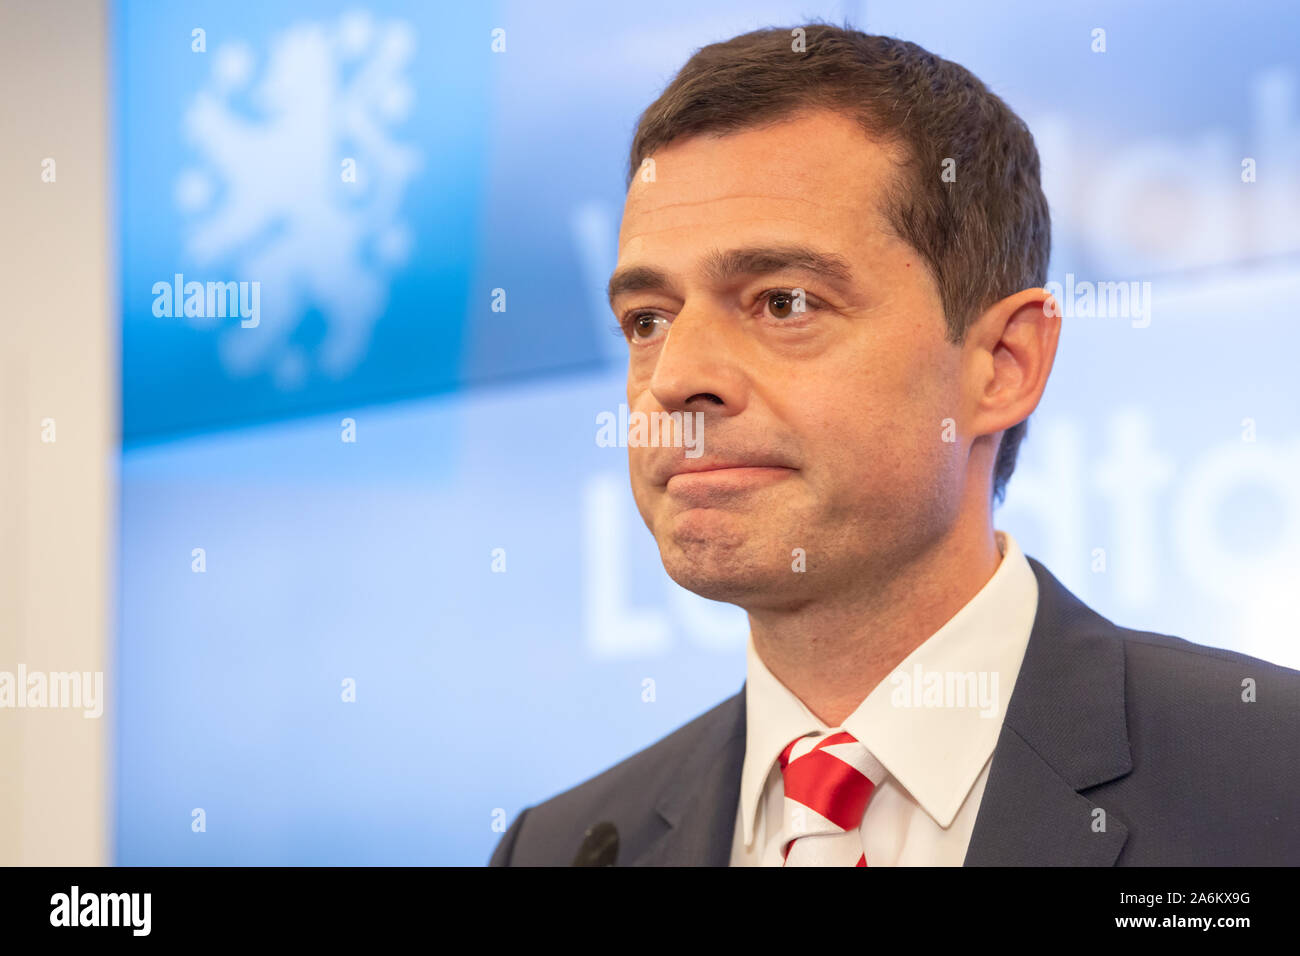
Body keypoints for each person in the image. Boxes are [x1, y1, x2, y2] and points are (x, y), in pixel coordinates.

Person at [490, 23, 1300, 866]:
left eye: (783, 302)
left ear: (1002, 365)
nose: (675, 379)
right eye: (648, 319)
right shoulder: (560, 848)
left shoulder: (1269, 780)